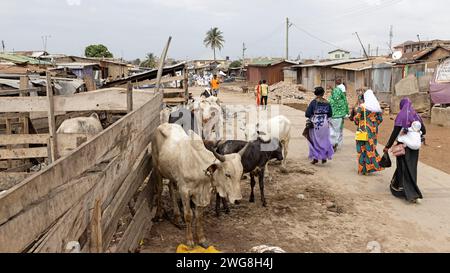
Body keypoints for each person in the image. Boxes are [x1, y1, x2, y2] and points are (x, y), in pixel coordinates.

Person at [384, 98, 426, 203]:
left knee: (403, 168)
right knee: (411, 168)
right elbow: (424, 130)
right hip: (414, 149)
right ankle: (399, 186)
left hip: (403, 146)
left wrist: (388, 146)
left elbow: (395, 133)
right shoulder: (416, 116)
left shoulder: (401, 116)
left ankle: (409, 193)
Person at [353, 90, 384, 175]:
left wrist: (360, 122)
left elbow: (356, 119)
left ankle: (363, 169)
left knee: (362, 148)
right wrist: (373, 125)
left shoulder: (362, 107)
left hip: (363, 129)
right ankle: (370, 167)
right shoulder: (377, 107)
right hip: (373, 130)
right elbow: (380, 119)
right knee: (370, 148)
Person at [305, 87, 334, 165]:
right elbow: (330, 114)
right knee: (324, 140)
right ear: (323, 93)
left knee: (314, 140)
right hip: (325, 123)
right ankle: (324, 157)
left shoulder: (313, 102)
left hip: (316, 123)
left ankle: (316, 158)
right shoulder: (327, 102)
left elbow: (307, 114)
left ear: (315, 93)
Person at [329, 80, 349, 151]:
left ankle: (331, 143)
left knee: (331, 130)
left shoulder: (330, 99)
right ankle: (335, 143)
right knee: (338, 131)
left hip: (330, 117)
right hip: (339, 118)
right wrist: (346, 114)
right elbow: (346, 108)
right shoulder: (343, 100)